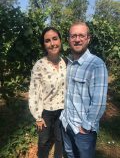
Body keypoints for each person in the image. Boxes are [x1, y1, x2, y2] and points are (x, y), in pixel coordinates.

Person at [60, 21, 108, 158]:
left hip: (82, 130)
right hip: (66, 123)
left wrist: (86, 127)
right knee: (69, 154)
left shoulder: (96, 65)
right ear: (68, 39)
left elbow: (99, 103)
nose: (77, 39)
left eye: (81, 35)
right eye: (73, 36)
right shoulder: (68, 63)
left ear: (88, 38)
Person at [29, 27, 66, 158]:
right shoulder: (39, 65)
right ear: (44, 45)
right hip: (46, 112)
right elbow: (34, 92)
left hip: (62, 110)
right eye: (47, 41)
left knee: (60, 139)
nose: (52, 43)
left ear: (60, 41)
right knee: (44, 141)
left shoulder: (65, 62)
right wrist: (38, 116)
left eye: (55, 39)